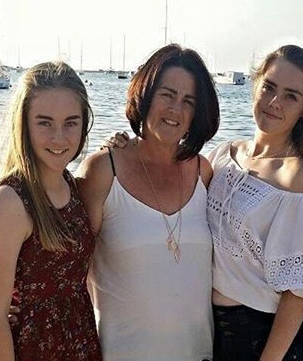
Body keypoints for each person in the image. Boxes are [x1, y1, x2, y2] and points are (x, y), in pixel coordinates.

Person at [104, 44, 303, 361]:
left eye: (290, 96)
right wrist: (126, 146)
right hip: (213, 330)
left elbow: (297, 294)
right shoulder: (223, 156)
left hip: (265, 337)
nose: (274, 102)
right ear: (256, 85)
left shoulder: (299, 180)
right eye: (269, 87)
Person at [76, 43, 220, 361]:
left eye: (188, 101)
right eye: (167, 95)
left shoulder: (203, 172)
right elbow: (69, 266)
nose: (175, 110)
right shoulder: (103, 170)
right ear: (145, 94)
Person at [0, 61, 102, 361]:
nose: (59, 138)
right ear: (24, 124)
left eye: (71, 122)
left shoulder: (71, 184)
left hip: (79, 340)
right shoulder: (10, 201)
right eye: (44, 122)